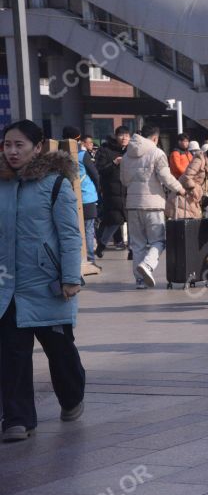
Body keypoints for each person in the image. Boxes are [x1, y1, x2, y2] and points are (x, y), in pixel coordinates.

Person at [0, 120, 86, 442]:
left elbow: (68, 234)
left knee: (61, 353)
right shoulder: (1, 184)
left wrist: (70, 277)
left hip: (49, 286)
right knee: (13, 356)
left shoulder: (54, 184)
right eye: (7, 144)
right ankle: (17, 419)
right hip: (7, 288)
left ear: (37, 147)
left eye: (18, 144)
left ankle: (73, 395)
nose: (11, 151)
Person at [120, 125, 186, 289]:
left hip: (133, 205)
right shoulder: (157, 153)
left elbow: (124, 181)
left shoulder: (127, 155)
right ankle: (148, 265)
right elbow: (165, 176)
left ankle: (140, 280)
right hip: (153, 205)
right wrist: (179, 188)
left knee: (137, 243)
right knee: (159, 240)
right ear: (155, 138)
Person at [63, 128, 100, 263]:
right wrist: (98, 190)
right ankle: (90, 258)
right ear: (78, 139)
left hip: (67, 197)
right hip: (86, 197)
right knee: (89, 229)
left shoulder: (59, 154)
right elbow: (94, 174)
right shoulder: (82, 155)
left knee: (73, 229)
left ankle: (76, 259)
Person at [95, 126, 130, 257]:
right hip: (112, 192)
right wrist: (114, 163)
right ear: (116, 136)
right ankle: (102, 245)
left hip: (128, 191)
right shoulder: (105, 149)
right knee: (115, 220)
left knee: (131, 221)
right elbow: (100, 169)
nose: (124, 138)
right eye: (122, 135)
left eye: (127, 135)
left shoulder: (131, 150)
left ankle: (132, 249)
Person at [166, 141, 208, 220]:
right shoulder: (199, 160)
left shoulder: (204, 162)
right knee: (185, 223)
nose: (194, 152)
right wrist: (195, 190)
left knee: (191, 221)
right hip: (184, 195)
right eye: (193, 150)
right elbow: (186, 175)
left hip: (189, 196)